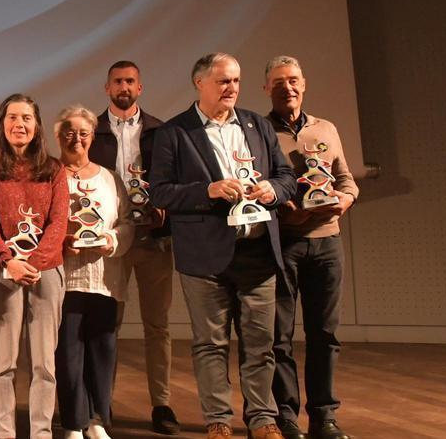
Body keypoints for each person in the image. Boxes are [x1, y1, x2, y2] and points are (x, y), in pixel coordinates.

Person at [149, 53, 296, 439]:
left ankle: (262, 418)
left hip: (258, 251)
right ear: (200, 83)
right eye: (223, 81)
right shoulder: (174, 132)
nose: (232, 88)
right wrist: (208, 190)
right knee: (211, 344)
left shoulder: (257, 125)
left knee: (260, 343)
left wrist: (273, 190)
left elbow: (287, 177)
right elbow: (161, 192)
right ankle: (218, 419)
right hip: (205, 256)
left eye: (236, 81)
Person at [263, 56, 359, 439]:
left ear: (304, 84)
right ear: (266, 89)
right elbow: (257, 186)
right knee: (279, 336)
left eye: (293, 80)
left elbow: (347, 179)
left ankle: (324, 416)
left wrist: (345, 200)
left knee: (324, 334)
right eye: (278, 82)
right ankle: (286, 416)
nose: (287, 87)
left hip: (327, 242)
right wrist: (288, 212)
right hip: (283, 243)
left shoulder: (327, 128)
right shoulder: (259, 131)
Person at [89, 61, 180, 435]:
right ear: (106, 87)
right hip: (112, 239)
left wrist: (167, 210)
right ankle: (101, 403)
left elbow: (175, 180)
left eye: (130, 81)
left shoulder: (161, 130)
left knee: (157, 326)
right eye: (117, 81)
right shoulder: (91, 132)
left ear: (140, 87)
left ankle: (161, 404)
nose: (123, 87)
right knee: (106, 324)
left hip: (155, 239)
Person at [0, 93, 68, 439]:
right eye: (13, 117)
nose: (20, 124)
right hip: (3, 274)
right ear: (1, 124)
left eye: (27, 118)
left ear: (37, 125)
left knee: (44, 364)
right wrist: (9, 262)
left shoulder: (54, 169)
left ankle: (41, 432)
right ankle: (4, 432)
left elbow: (59, 223)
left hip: (46, 273)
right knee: (4, 363)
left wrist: (34, 263)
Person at [54, 105, 134, 439]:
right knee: (69, 353)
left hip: (105, 278)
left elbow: (127, 222)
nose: (77, 139)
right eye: (70, 133)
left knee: (103, 350)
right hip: (65, 279)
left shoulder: (109, 178)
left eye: (83, 133)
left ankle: (98, 418)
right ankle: (73, 422)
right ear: (59, 137)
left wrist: (112, 239)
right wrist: (62, 241)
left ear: (92, 137)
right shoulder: (51, 176)